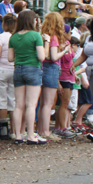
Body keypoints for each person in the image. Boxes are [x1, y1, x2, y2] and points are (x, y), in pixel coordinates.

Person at [8, 10, 46, 145]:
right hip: (33, 69)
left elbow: (10, 58)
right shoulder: (36, 35)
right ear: (32, 21)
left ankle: (18, 135)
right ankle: (30, 135)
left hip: (18, 70)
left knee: (18, 105)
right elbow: (41, 57)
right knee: (31, 104)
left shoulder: (13, 37)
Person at [37, 12, 69, 140]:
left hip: (41, 68)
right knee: (48, 103)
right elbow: (54, 57)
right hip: (51, 69)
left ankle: (40, 129)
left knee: (42, 103)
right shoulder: (54, 38)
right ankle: (45, 131)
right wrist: (64, 51)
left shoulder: (42, 36)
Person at [0, 13, 16, 139]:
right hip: (14, 70)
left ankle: (3, 130)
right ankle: (14, 130)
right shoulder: (16, 37)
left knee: (1, 100)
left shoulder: (0, 37)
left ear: (4, 24)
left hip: (1, 69)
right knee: (12, 100)